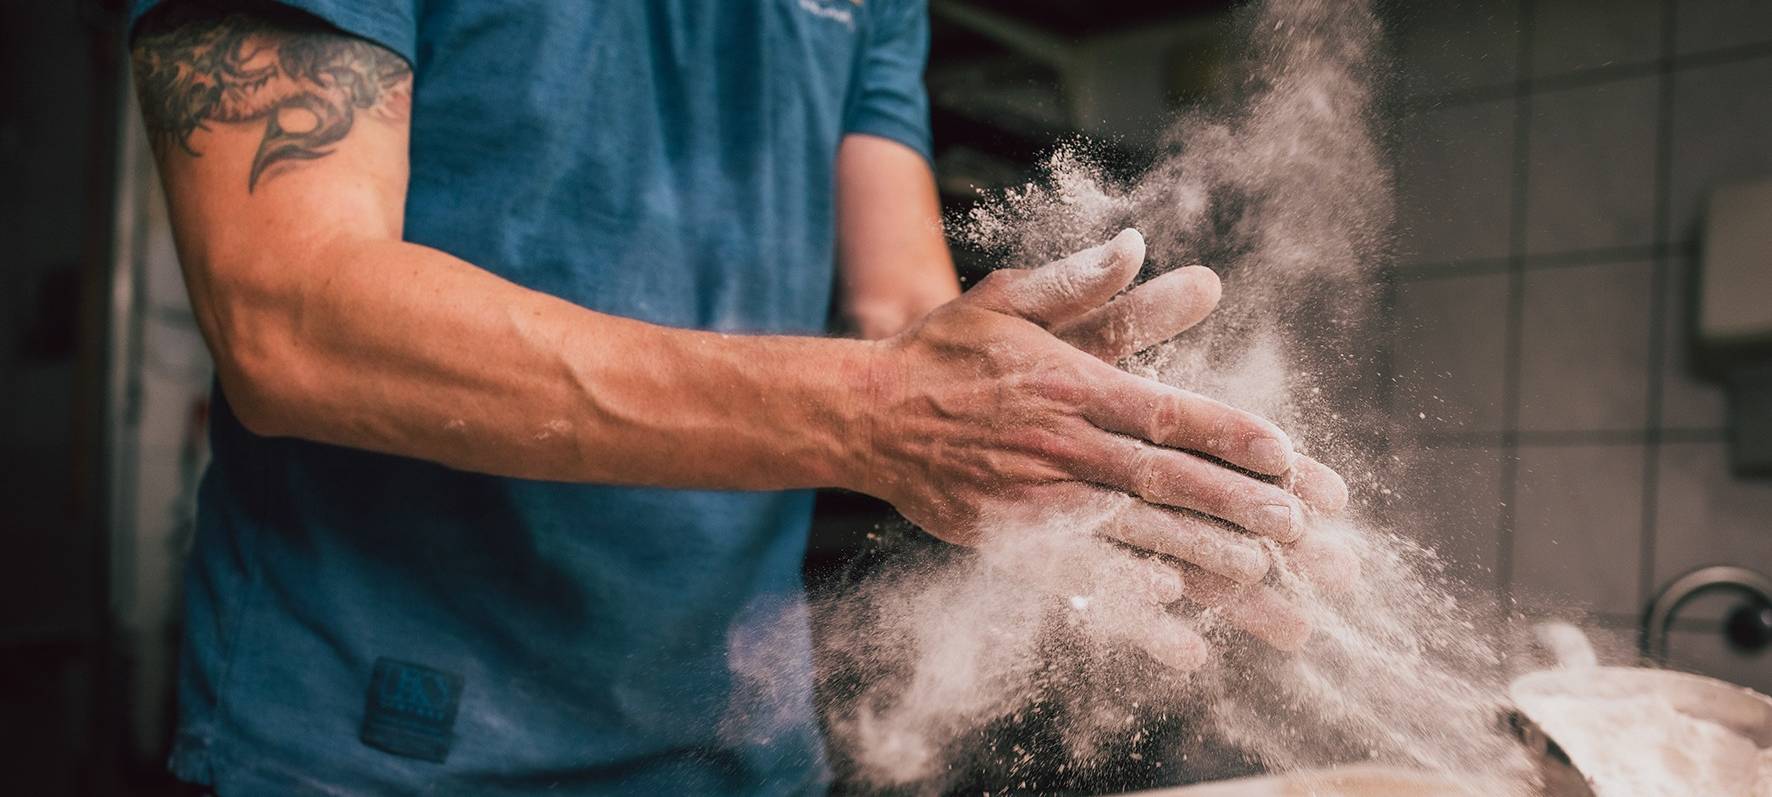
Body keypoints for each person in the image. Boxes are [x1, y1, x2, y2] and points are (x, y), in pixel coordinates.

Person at [127, 0, 1349, 793]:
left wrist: (1060, 452)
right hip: (381, 738)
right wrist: (883, 410)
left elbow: (901, 323)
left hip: (731, 741)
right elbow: (287, 314)